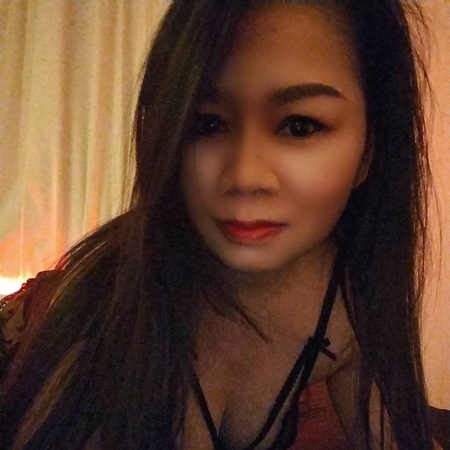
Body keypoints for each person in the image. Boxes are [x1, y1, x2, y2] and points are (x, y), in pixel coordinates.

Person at [0, 1, 438, 449]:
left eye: (299, 127)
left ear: (369, 152)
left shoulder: (344, 300)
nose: (244, 176)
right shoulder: (111, 321)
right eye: (207, 124)